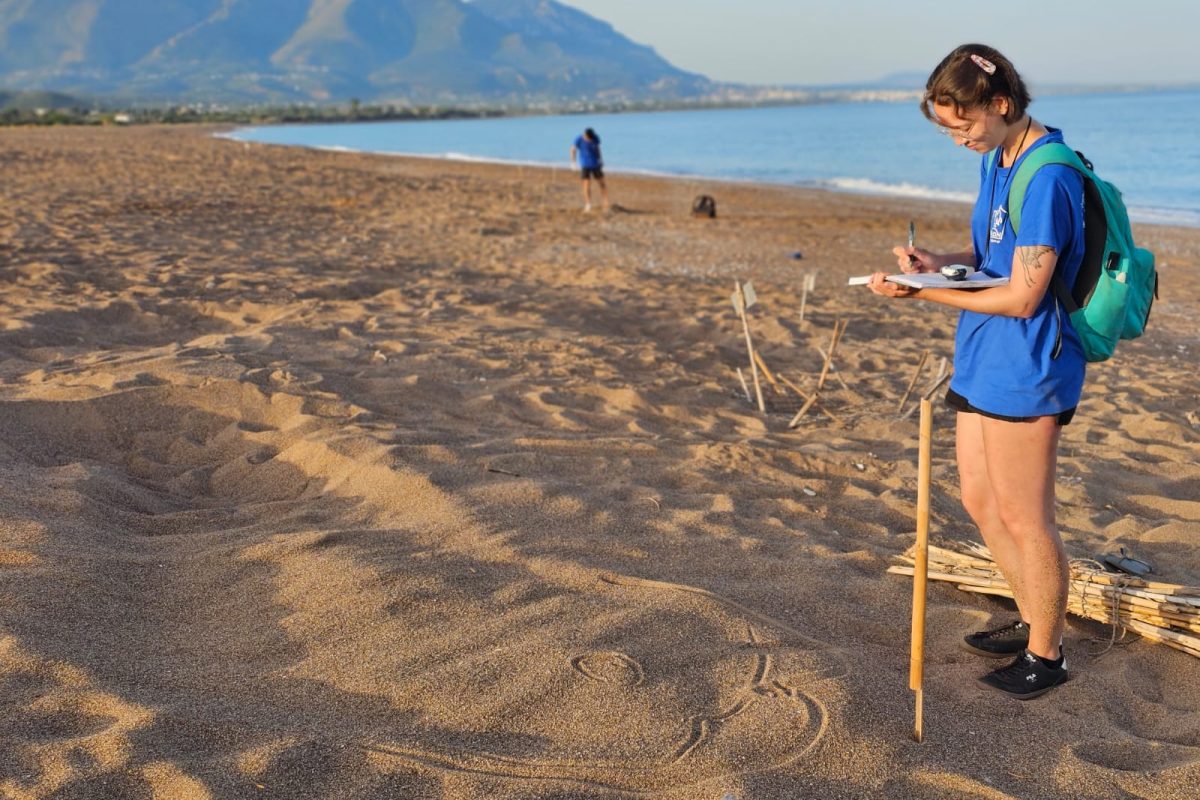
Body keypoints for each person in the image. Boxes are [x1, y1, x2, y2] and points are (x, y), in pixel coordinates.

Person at [867, 44, 1086, 699]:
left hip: (1030, 361)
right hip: (984, 351)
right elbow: (997, 253)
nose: (960, 139)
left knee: (1027, 516)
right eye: (948, 129)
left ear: (1002, 103)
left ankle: (1047, 657)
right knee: (980, 500)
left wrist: (922, 295)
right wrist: (939, 261)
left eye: (965, 125)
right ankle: (1028, 617)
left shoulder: (1048, 175)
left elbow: (1024, 295)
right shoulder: (1000, 157)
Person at [570, 128, 610, 212]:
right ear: (585, 135)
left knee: (602, 183)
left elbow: (597, 149)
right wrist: (573, 162)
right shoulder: (579, 139)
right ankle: (588, 204)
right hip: (585, 165)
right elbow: (573, 149)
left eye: (590, 138)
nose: (589, 140)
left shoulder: (595, 138)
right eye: (588, 138)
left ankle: (606, 203)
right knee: (586, 185)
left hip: (596, 164)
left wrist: (600, 159)